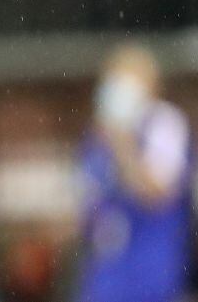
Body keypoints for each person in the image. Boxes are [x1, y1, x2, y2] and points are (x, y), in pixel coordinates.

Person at [75, 44, 194, 302]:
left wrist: (123, 145)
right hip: (105, 275)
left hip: (152, 273)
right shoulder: (96, 136)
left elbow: (158, 195)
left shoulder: (164, 124)